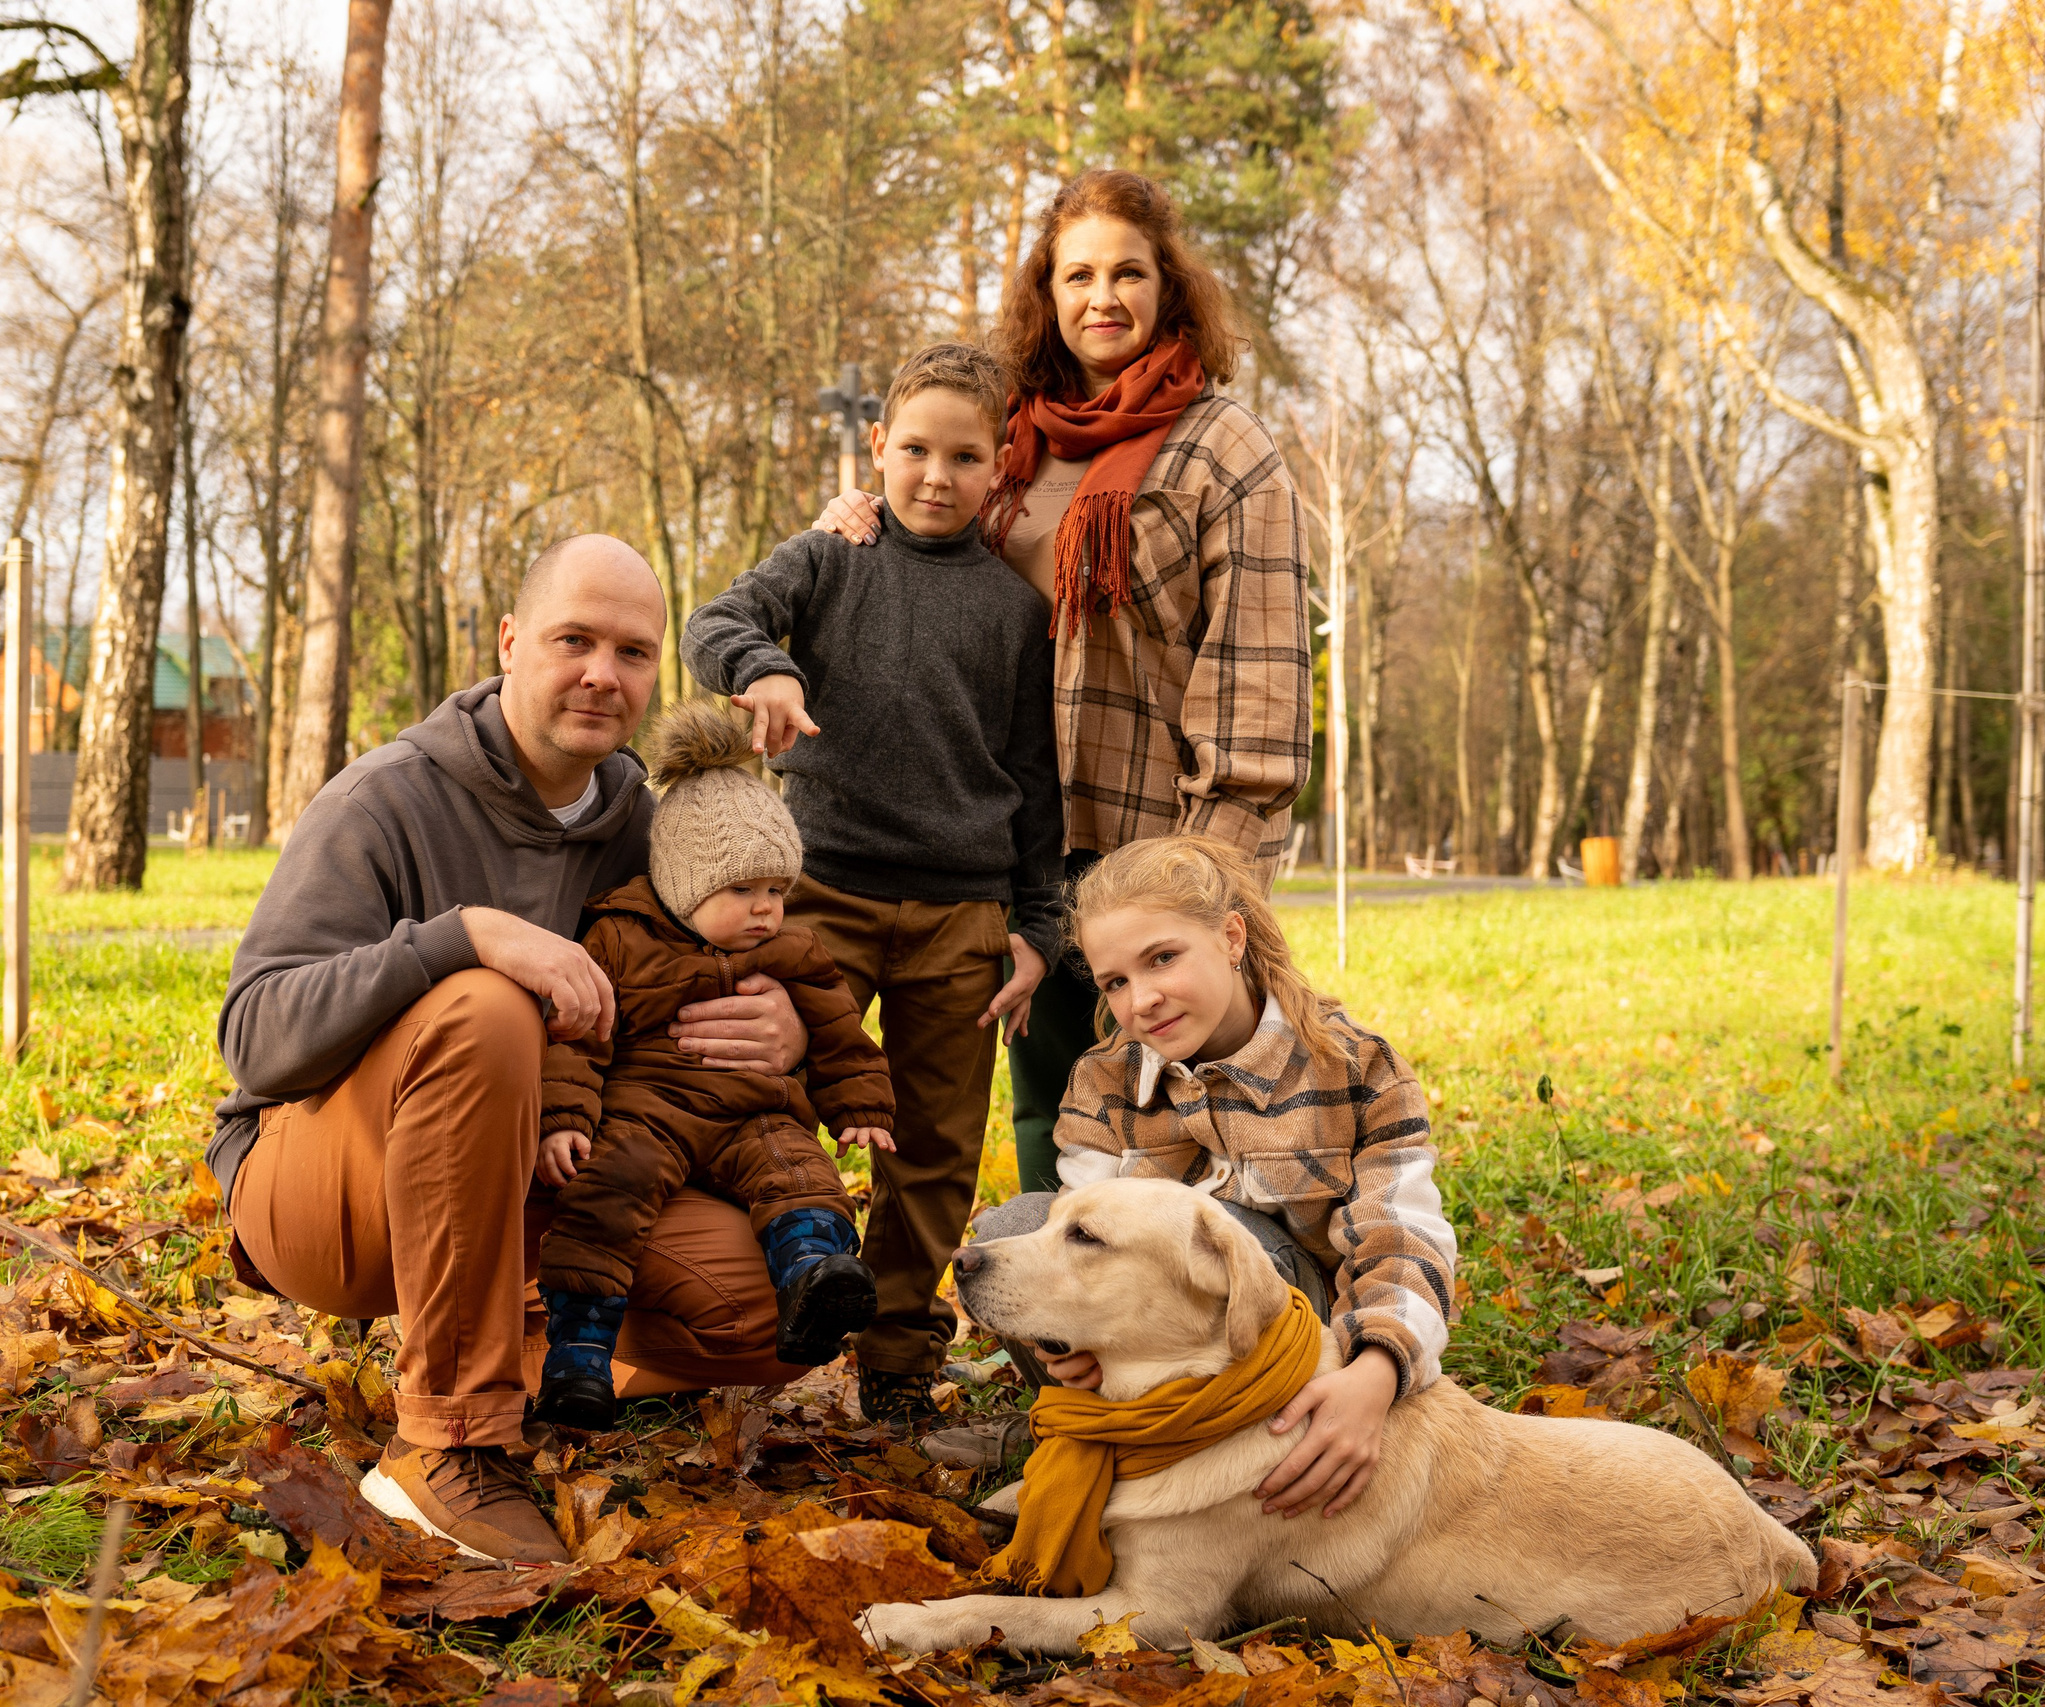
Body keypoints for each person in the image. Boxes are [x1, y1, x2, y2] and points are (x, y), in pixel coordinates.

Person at [210, 536, 815, 1566]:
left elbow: (698, 1003)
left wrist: (782, 1030)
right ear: (508, 643)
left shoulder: (650, 831)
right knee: (488, 1008)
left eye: (632, 651)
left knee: (770, 1308)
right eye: (573, 640)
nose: (601, 673)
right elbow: (255, 1036)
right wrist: (461, 938)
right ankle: (444, 1441)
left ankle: (515, 1346)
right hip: (326, 1193)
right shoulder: (383, 801)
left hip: (544, 1187)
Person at [812, 171, 1310, 1200]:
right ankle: (1056, 1298)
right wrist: (848, 527)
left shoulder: (1226, 450)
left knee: (1169, 1113)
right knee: (1048, 1108)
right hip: (1014, 844)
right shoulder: (1008, 436)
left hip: (1153, 842)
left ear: (1169, 286)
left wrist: (1202, 888)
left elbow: (1260, 695)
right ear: (1047, 290)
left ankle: (1212, 1293)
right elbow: (923, 542)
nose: (1103, 297)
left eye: (1129, 272)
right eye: (1077, 274)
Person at [685, 341, 1065, 1427]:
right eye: (915, 451)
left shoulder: (1013, 612)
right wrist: (764, 668)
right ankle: (741, 1305)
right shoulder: (827, 558)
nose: (936, 477)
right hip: (820, 897)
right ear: (878, 447)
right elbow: (715, 623)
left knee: (935, 1148)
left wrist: (1038, 924)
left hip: (962, 916)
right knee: (765, 1095)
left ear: (999, 467)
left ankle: (898, 1357)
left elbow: (1033, 778)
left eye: (965, 457)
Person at [932, 835, 1457, 1523]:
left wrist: (1374, 1377)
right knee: (1019, 1228)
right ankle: (1094, 1426)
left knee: (1231, 1237)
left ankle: (1180, 1453)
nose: (1143, 999)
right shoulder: (1103, 1078)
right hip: (1146, 1346)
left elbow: (1404, 1239)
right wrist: (1064, 1344)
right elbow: (1076, 1242)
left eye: (1162, 958)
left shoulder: (1355, 1068)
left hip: (1293, 1354)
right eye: (1115, 982)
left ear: (1232, 937)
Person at [533, 701, 897, 1430]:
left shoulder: (793, 950)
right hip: (647, 1111)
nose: (765, 909)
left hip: (753, 1114)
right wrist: (564, 1119)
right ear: (683, 882)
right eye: (741, 890)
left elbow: (839, 1030)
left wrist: (860, 1105)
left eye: (776, 890)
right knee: (605, 1196)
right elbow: (578, 1040)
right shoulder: (619, 937)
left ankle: (812, 1278)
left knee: (799, 1171)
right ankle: (578, 1353)